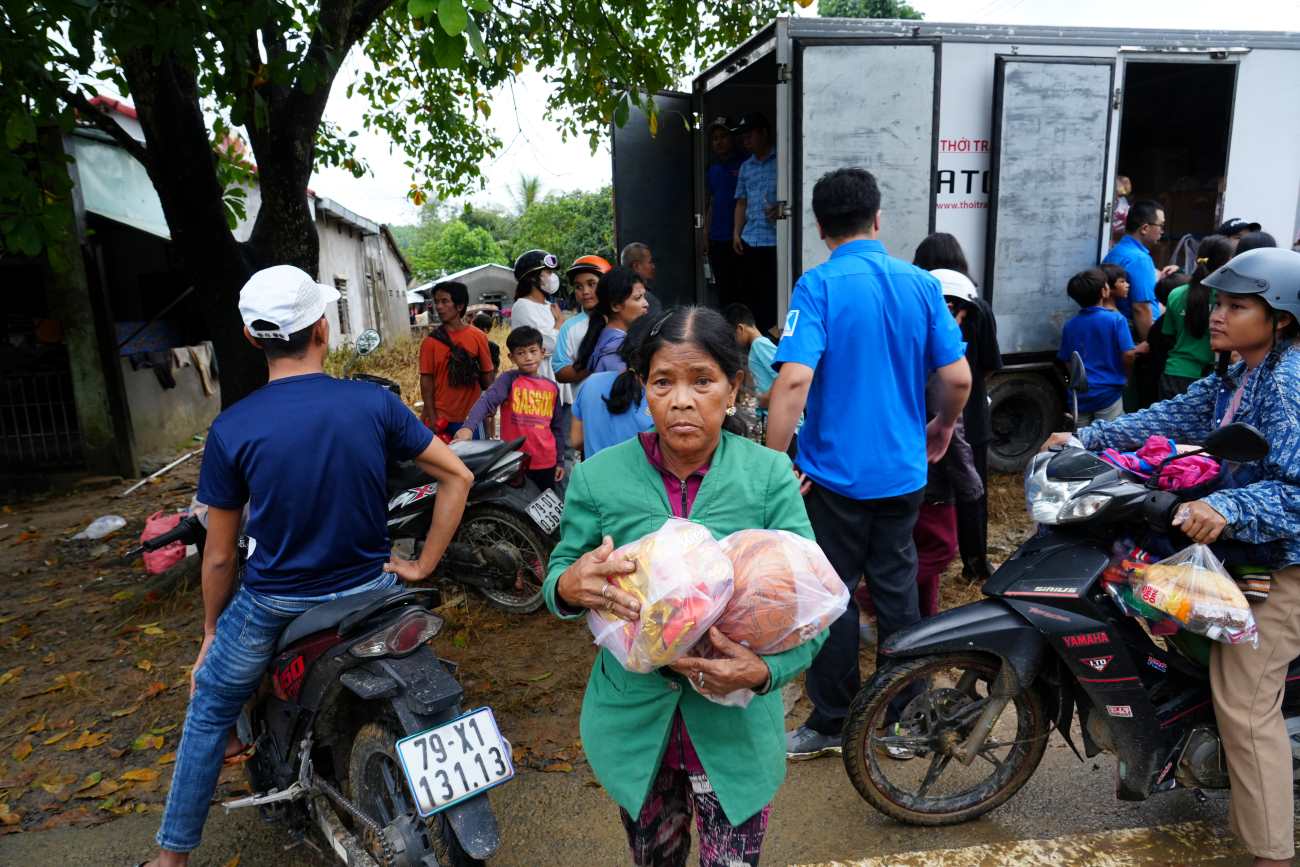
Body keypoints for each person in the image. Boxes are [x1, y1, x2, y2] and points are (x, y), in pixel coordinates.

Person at [138, 266, 473, 867]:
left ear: (250, 337)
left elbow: (218, 554)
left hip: (275, 602)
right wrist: (422, 564)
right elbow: (458, 475)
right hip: (372, 590)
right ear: (323, 329)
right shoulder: (373, 403)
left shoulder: (233, 428)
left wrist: (211, 632)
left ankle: (171, 860)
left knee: (210, 703)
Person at [1044, 248, 1300, 867]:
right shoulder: (1240, 373)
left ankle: (1272, 853)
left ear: (1282, 319)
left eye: (1239, 306)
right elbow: (1173, 414)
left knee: (1244, 701)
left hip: (1286, 561)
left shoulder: (1289, 384)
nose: (1218, 314)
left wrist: (1233, 508)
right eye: (1219, 302)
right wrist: (1088, 439)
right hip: (1243, 549)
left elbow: (1296, 488)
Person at [545, 305, 827, 867]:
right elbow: (560, 575)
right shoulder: (599, 478)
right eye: (663, 382)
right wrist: (570, 585)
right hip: (636, 728)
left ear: (734, 387)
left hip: (735, 728)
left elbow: (813, 606)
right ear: (642, 387)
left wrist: (767, 671)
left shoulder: (768, 476)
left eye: (702, 381)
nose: (681, 400)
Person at [766, 167, 971, 759]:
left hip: (834, 481)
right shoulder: (921, 285)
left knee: (832, 599)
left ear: (820, 227)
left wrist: (772, 462)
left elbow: (794, 380)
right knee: (898, 594)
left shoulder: (818, 287)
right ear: (878, 219)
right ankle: (904, 723)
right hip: (905, 476)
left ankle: (831, 722)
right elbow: (956, 376)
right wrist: (944, 425)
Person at [913, 233, 1004, 582]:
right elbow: (991, 363)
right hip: (973, 413)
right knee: (971, 488)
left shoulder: (921, 306)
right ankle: (975, 562)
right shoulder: (979, 307)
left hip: (925, 414)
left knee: (934, 491)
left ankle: (928, 557)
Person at [458, 326, 566, 492]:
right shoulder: (508, 380)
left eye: (532, 351)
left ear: (542, 352)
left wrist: (559, 461)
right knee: (516, 507)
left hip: (546, 460)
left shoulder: (551, 386)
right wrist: (468, 427)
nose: (528, 357)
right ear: (511, 357)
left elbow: (557, 427)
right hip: (516, 460)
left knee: (544, 505)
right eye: (521, 353)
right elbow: (486, 402)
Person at [1059, 268, 1145, 425]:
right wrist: (1126, 376)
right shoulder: (1116, 320)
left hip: (1080, 396)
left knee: (1082, 440)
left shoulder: (1070, 325)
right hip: (1108, 392)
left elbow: (1067, 360)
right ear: (1105, 291)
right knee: (1109, 439)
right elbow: (1128, 354)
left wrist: (1081, 380)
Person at [419, 280, 496, 439]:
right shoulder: (429, 343)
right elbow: (426, 382)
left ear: (459, 306)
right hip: (442, 419)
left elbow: (487, 374)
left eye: (445, 301)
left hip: (473, 418)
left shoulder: (478, 337)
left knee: (477, 463)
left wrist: (491, 404)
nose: (439, 307)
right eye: (437, 302)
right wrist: (432, 418)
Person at [570, 315, 655, 459]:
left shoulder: (590, 383)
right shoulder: (657, 394)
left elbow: (576, 440)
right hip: (639, 479)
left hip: (593, 477)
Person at [1161, 235, 1233, 400]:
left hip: (1175, 372)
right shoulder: (1226, 300)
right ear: (1226, 262)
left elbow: (1168, 335)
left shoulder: (1176, 294)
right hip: (1210, 377)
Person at [731, 112, 779, 333]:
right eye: (743, 137)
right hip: (751, 239)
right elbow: (741, 202)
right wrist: (736, 234)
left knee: (774, 295)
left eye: (750, 135)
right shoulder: (746, 167)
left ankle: (773, 341)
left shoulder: (782, 160)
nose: (745, 141)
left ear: (764, 133)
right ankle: (755, 340)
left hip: (776, 241)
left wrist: (780, 210)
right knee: (751, 295)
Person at [1104, 199, 1169, 340]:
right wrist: (1149, 345)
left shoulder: (1116, 252)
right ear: (1145, 228)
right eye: (1161, 226)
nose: (1162, 231)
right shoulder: (1139, 259)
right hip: (1133, 334)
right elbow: (1141, 308)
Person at [573, 267, 651, 375]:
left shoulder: (607, 339)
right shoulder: (615, 351)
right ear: (615, 305)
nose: (646, 304)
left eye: (644, 296)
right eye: (638, 298)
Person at [705, 116, 745, 308]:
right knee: (724, 290)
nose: (719, 142)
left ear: (733, 138)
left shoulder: (745, 164)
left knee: (742, 289)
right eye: (715, 138)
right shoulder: (713, 170)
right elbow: (712, 201)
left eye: (723, 136)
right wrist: (705, 233)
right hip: (717, 238)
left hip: (740, 238)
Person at [509, 248, 565, 382]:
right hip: (538, 381)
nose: (553, 277)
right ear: (532, 278)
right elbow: (545, 346)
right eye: (548, 272)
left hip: (558, 377)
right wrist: (559, 324)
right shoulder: (522, 306)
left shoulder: (549, 305)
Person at [721, 303, 779, 409]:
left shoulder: (759, 344)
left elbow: (783, 373)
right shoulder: (757, 345)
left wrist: (765, 399)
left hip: (781, 416)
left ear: (740, 329)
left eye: (733, 336)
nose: (733, 341)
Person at [619, 242, 664, 317]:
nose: (653, 266)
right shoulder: (649, 302)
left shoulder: (614, 295)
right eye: (650, 262)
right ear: (636, 266)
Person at [1111, 175, 1132, 244]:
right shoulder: (1109, 198)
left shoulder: (1123, 201)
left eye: (1120, 195)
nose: (1117, 197)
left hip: (1118, 235)